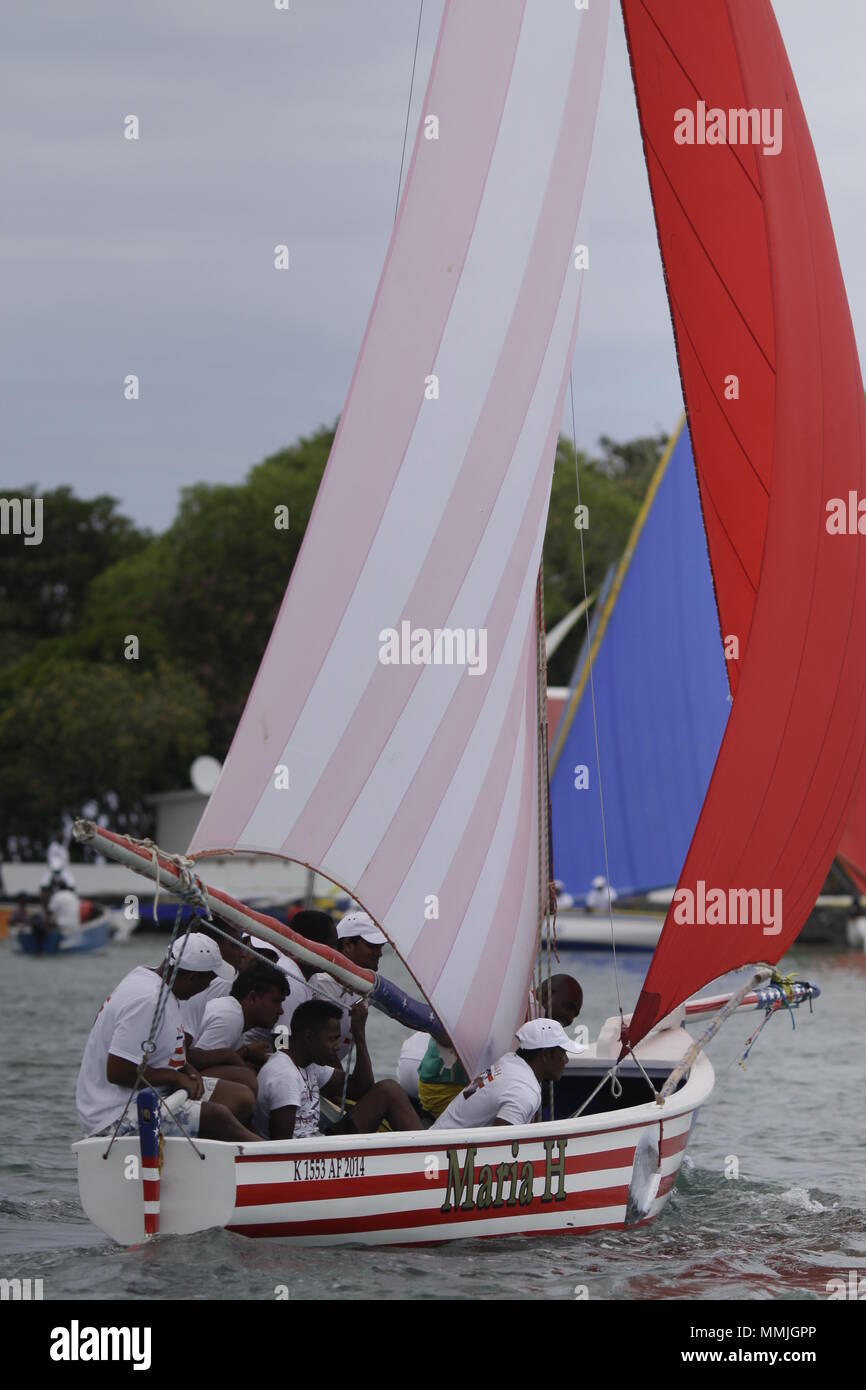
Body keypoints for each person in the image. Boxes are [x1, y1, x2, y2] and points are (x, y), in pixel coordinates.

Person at [76, 932, 259, 1141]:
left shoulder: (147, 976)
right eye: (208, 981)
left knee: (240, 1097)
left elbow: (162, 1050)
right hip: (115, 1113)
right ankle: (269, 1158)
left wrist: (186, 1069)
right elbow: (119, 1072)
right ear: (192, 977)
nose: (207, 988)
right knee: (217, 1117)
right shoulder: (149, 1001)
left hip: (153, 1093)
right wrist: (176, 1078)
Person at [255, 999, 420, 1140]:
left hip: (319, 1143)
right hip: (309, 1160)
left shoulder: (309, 1065)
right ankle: (430, 1159)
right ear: (308, 1036)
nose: (336, 1047)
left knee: (388, 1090)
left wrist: (359, 1036)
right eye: (332, 1039)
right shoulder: (285, 1075)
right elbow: (281, 1149)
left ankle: (429, 1151)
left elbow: (360, 1088)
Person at [432, 1018, 578, 1130]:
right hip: (443, 1155)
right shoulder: (524, 1091)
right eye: (563, 1052)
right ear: (546, 1054)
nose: (566, 1060)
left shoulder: (508, 1062)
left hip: (437, 1137)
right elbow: (500, 1151)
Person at [190, 961, 289, 1087]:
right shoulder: (231, 1017)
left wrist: (245, 1054)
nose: (281, 1011)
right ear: (252, 998)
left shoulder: (235, 1015)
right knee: (246, 1078)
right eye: (276, 1002)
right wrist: (244, 1054)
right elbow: (196, 1066)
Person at [308, 910, 386, 1059]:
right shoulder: (321, 984)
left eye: (381, 947)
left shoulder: (366, 987)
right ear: (348, 944)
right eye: (372, 946)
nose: (379, 953)